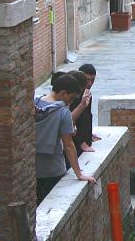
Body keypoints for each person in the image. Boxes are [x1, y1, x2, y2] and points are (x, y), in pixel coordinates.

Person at [35, 73, 96, 203]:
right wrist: (79, 174)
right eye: (72, 98)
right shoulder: (63, 113)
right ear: (63, 93)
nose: (71, 102)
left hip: (32, 169)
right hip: (53, 170)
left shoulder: (34, 104)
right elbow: (68, 145)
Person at [74, 64, 100, 154]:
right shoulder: (73, 96)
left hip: (86, 141)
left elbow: (87, 117)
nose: (90, 83)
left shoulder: (87, 94)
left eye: (92, 80)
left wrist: (89, 134)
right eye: (87, 80)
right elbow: (71, 122)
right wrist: (81, 142)